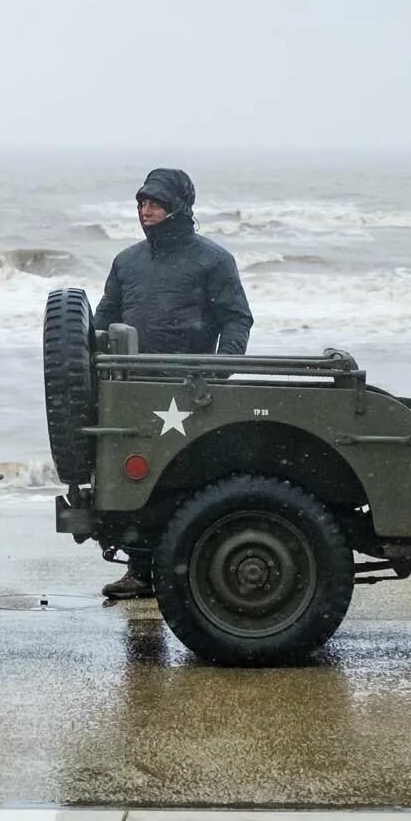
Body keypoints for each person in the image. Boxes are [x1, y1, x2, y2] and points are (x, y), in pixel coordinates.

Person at [93, 167, 253, 600]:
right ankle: (139, 571)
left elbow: (236, 319)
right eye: (142, 203)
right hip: (133, 389)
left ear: (179, 206)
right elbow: (103, 322)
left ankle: (191, 570)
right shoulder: (127, 262)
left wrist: (219, 371)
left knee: (189, 482)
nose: (147, 211)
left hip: (190, 391)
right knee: (136, 484)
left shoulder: (213, 260)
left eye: (156, 203)